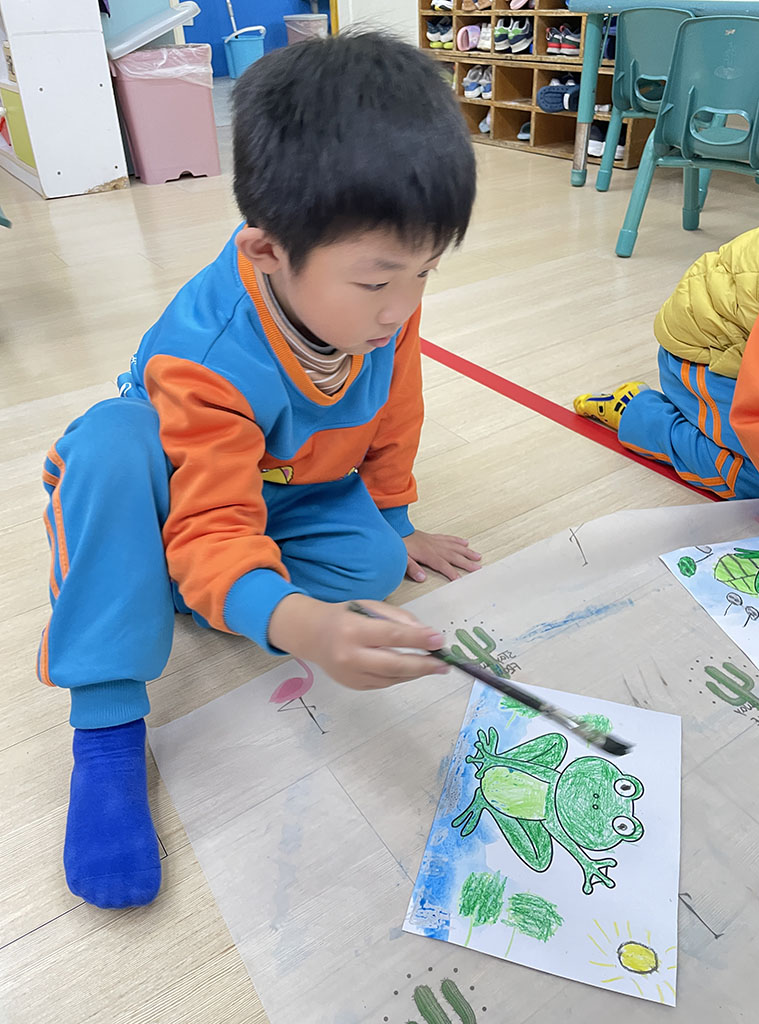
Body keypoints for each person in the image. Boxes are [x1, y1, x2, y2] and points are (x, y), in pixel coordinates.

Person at [38, 32, 480, 910]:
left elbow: (395, 419)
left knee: (372, 565)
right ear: (269, 250)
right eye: (378, 282)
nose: (403, 308)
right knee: (113, 447)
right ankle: (108, 728)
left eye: (426, 272)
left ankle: (192, 578)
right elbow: (212, 519)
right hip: (181, 481)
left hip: (288, 493)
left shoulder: (387, 311)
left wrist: (396, 524)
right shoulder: (206, 354)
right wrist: (300, 626)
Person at [573, 224, 759, 499]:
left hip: (740, 348)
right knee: (756, 481)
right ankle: (637, 411)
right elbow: (756, 412)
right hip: (703, 353)